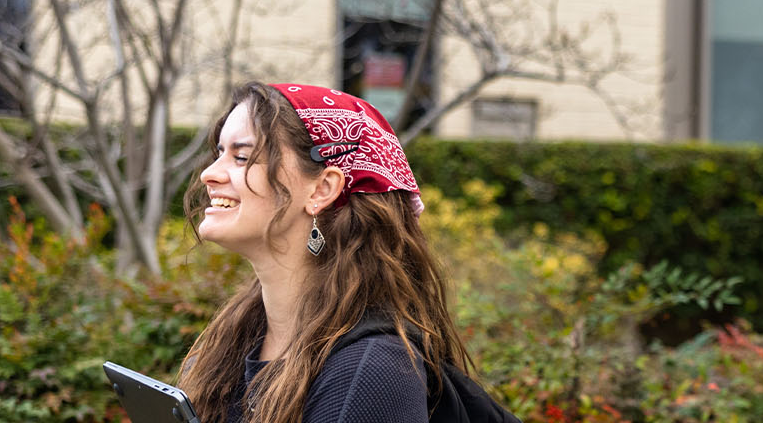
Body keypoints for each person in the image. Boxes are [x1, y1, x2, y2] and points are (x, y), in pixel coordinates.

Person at [176, 82, 518, 423]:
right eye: (219, 153)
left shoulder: (374, 372)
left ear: (322, 189)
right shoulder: (229, 348)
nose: (209, 174)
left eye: (242, 157)